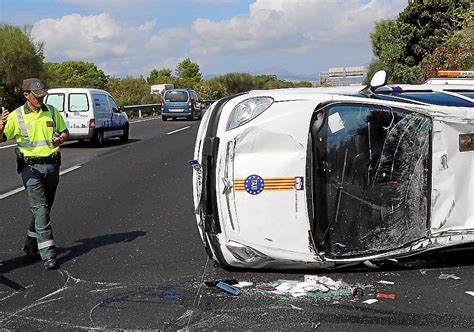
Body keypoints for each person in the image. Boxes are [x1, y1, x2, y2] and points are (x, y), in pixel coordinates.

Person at [0, 78, 69, 270]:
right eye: (37, 96)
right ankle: (48, 253)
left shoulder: (52, 111)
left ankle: (31, 244)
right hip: (30, 169)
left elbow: (64, 132)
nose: (40, 99)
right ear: (26, 95)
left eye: (42, 96)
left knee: (45, 208)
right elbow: (1, 138)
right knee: (40, 209)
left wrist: (60, 139)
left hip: (52, 166)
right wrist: (0, 125)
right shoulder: (16, 116)